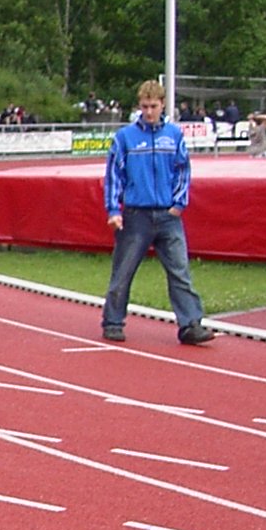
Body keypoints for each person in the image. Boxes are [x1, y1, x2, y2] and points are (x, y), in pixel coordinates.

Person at [101, 80, 214, 346]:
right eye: (144, 107)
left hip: (167, 215)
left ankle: (190, 324)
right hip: (136, 215)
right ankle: (113, 321)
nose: (148, 112)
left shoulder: (173, 135)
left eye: (153, 106)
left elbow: (183, 170)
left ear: (162, 105)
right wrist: (114, 209)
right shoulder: (125, 138)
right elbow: (114, 175)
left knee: (180, 271)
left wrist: (179, 203)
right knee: (124, 271)